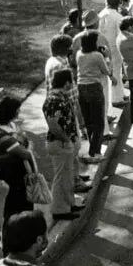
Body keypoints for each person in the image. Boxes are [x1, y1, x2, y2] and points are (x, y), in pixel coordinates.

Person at [42, 70, 84, 222]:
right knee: (61, 178)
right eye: (70, 81)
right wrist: (66, 140)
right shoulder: (54, 100)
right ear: (66, 82)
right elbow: (53, 124)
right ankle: (59, 210)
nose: (72, 84)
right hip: (60, 143)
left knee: (68, 177)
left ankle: (69, 204)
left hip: (65, 143)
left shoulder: (60, 97)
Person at [75, 31, 111, 163]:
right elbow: (106, 71)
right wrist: (106, 56)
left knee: (89, 122)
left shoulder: (79, 54)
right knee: (99, 123)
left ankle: (92, 149)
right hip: (94, 88)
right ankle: (95, 152)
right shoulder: (97, 56)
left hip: (81, 88)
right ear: (93, 43)